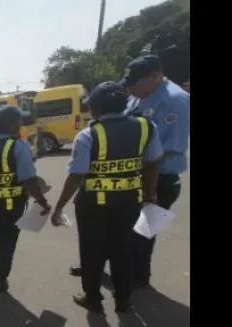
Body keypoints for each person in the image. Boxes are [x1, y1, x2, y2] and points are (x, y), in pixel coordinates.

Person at [68, 55, 189, 285]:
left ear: (155, 76)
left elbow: (172, 149)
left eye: (135, 83)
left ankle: (138, 278)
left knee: (142, 234)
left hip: (159, 179)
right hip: (129, 176)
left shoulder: (175, 101)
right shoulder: (138, 97)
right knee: (113, 228)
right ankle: (97, 268)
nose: (131, 88)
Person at [50, 81, 164, 313]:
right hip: (130, 203)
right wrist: (151, 194)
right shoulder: (146, 127)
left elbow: (76, 176)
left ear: (97, 108)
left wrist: (59, 207)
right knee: (124, 251)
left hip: (94, 207)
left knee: (92, 252)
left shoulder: (88, 135)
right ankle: (123, 301)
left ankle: (92, 298)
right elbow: (152, 164)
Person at [0, 105, 51, 293]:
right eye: (19, 120)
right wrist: (42, 201)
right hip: (11, 206)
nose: (21, 123)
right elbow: (29, 179)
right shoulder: (18, 146)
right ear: (13, 125)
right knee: (6, 244)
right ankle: (0, 282)